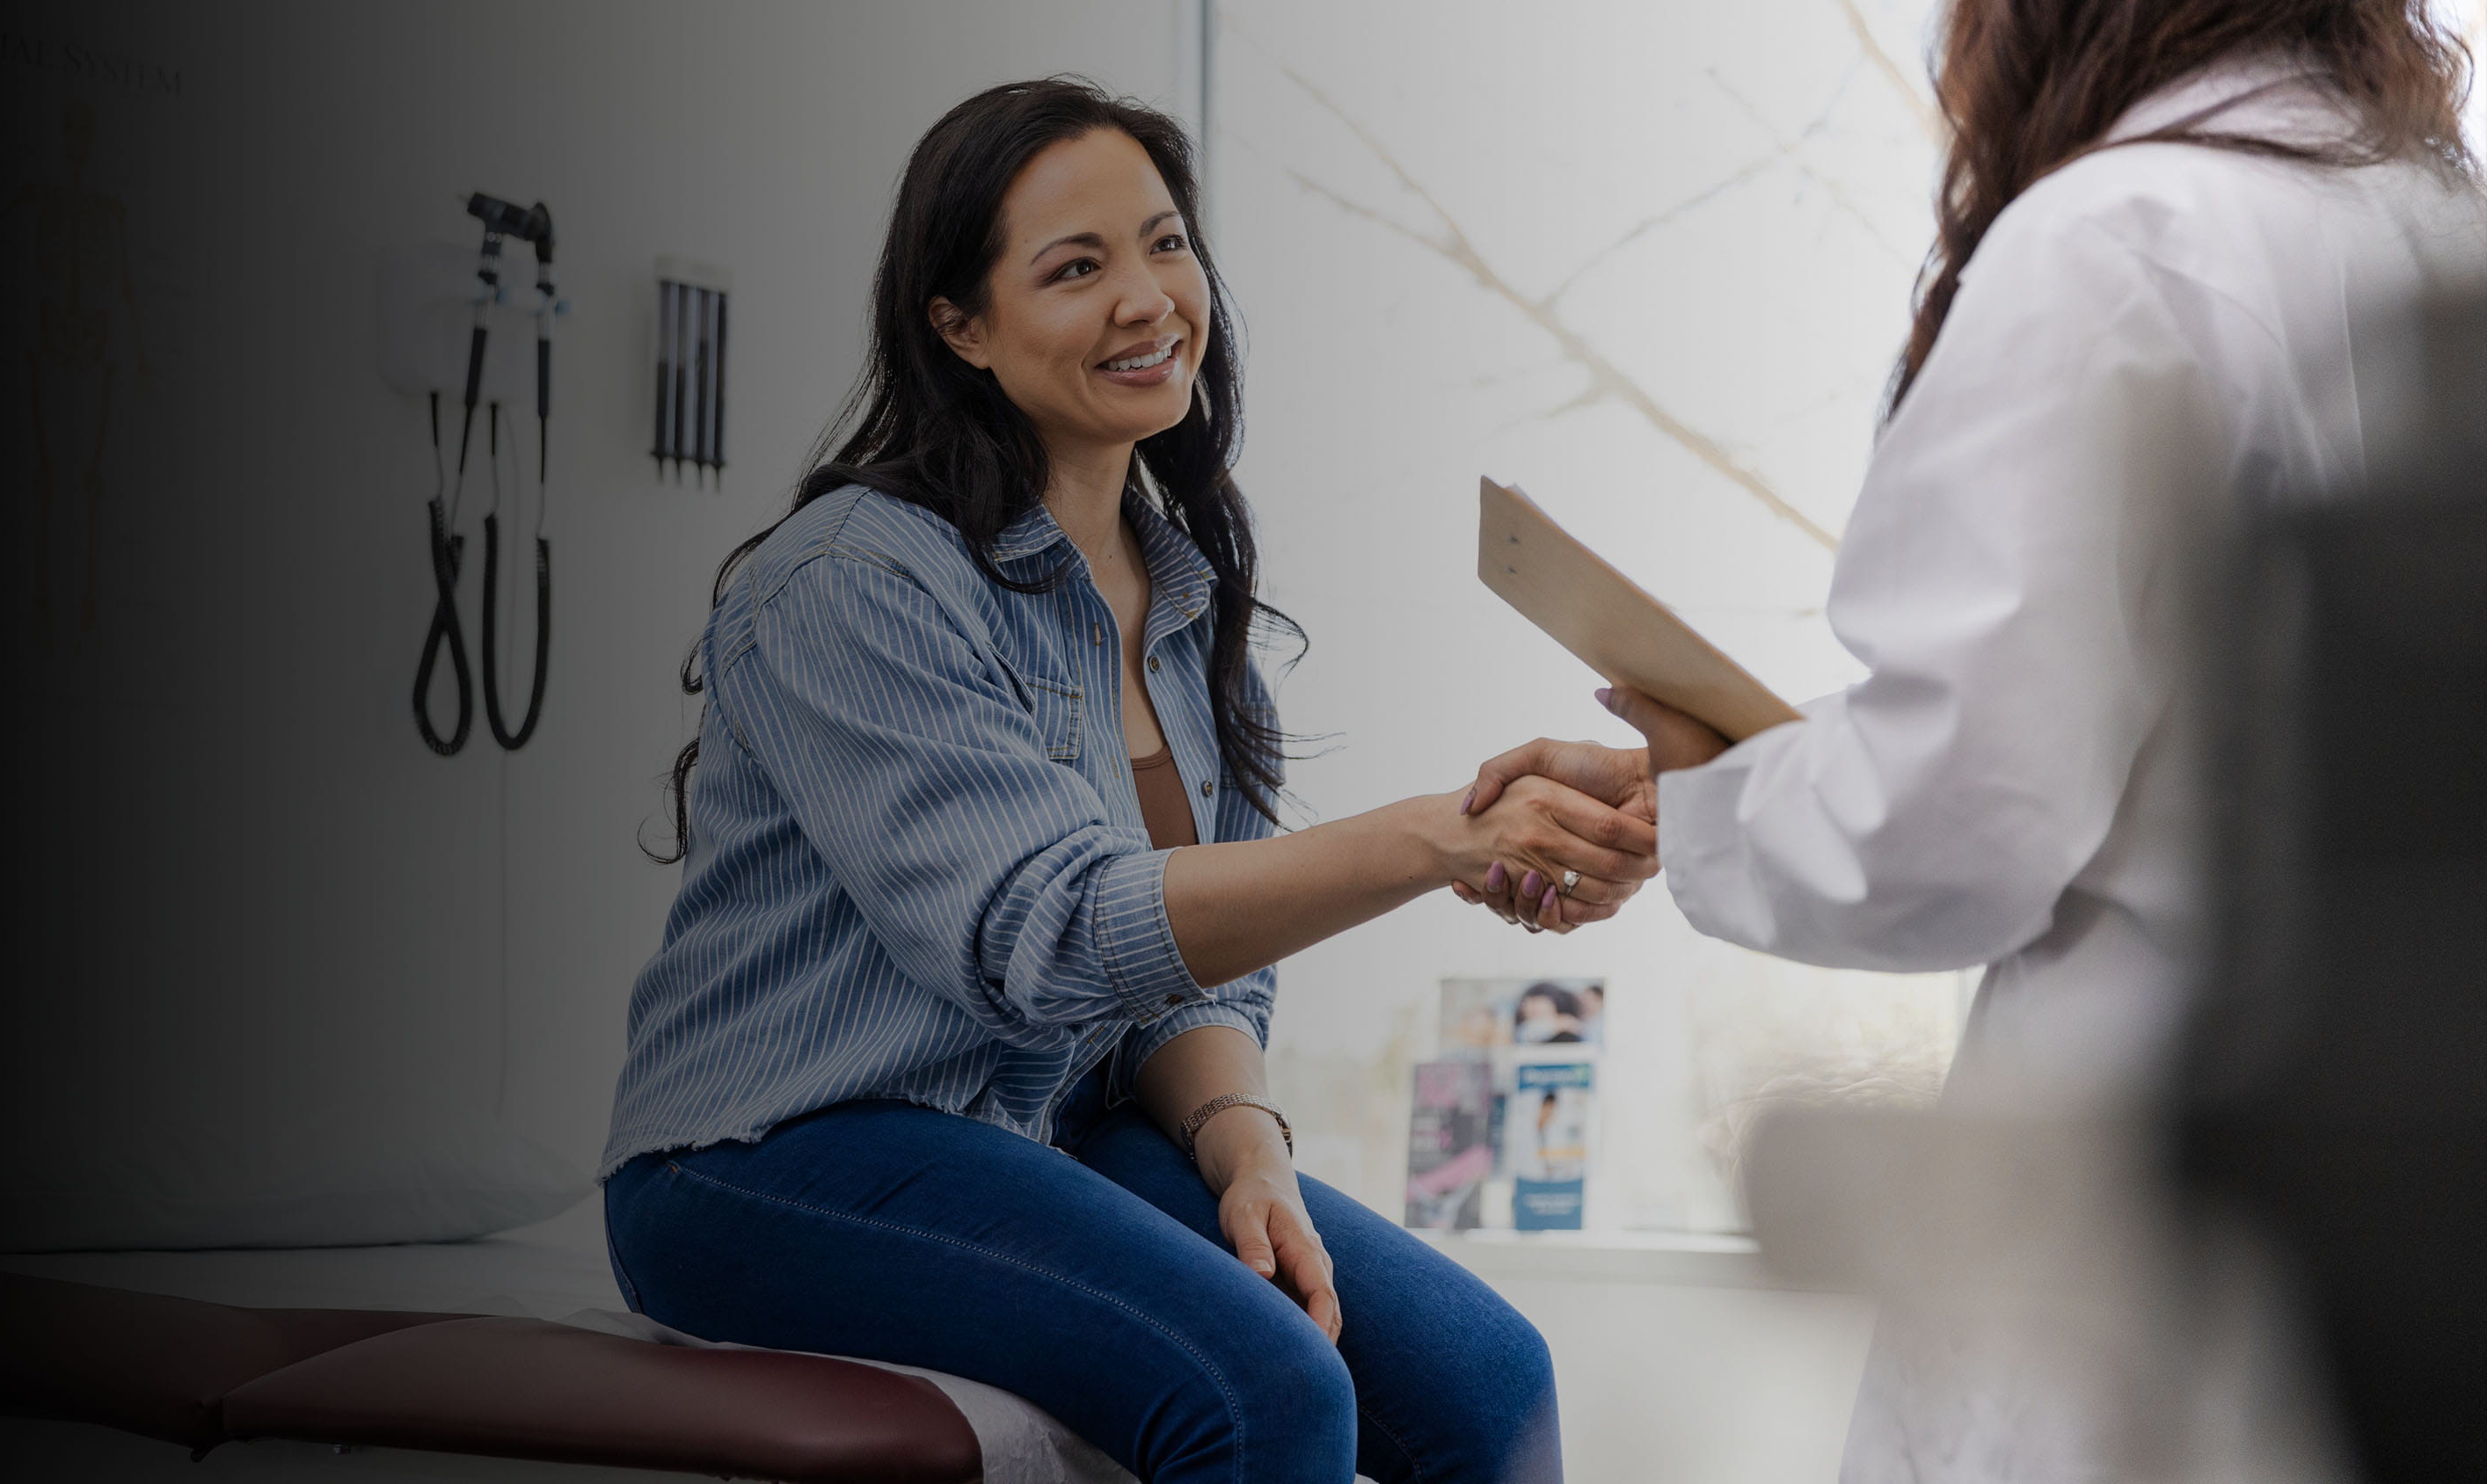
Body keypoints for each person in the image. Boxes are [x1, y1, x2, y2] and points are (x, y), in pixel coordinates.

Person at [1458, 4, 2485, 1479]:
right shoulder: (2421, 213)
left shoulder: (2117, 239)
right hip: (2393, 1186)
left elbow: (1956, 824)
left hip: (2141, 1171)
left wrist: (1720, 799)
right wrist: (1720, 782)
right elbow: (2179, 726)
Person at [602, 79, 1657, 1483]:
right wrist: (1442, 838)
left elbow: (1193, 982)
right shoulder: (851, 583)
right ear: (959, 326)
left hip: (1041, 1128)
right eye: (1076, 268)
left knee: (1488, 1383)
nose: (1148, 298)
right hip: (762, 1160)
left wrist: (1245, 1147)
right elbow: (1046, 940)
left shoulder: (1179, 591)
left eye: (1165, 244)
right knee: (1266, 1390)